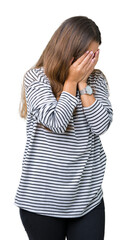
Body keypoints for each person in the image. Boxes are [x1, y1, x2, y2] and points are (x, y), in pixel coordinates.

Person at [14, 15, 113, 240]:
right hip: (41, 203)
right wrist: (70, 82)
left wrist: (83, 82)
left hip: (87, 201)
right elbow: (57, 123)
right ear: (70, 50)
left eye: (95, 54)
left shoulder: (96, 80)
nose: (92, 61)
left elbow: (100, 126)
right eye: (87, 55)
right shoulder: (37, 78)